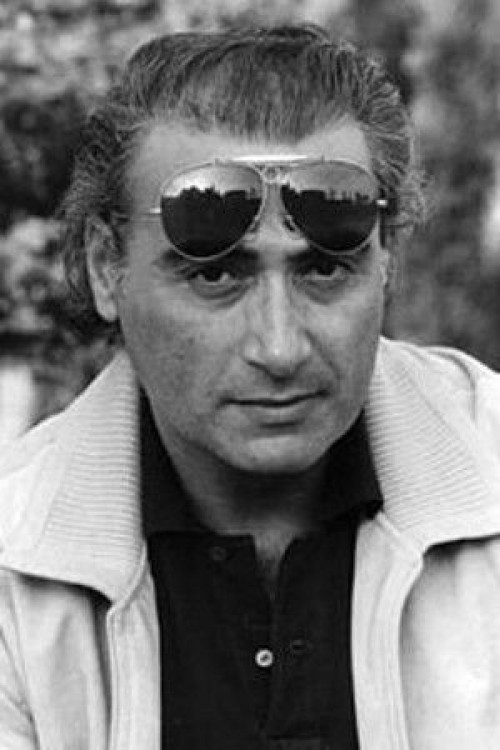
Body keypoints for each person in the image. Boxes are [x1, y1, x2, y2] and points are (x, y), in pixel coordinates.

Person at [1, 23, 500, 750]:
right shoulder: (14, 573)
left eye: (324, 269)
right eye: (214, 275)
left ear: (387, 256)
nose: (279, 346)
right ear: (108, 268)